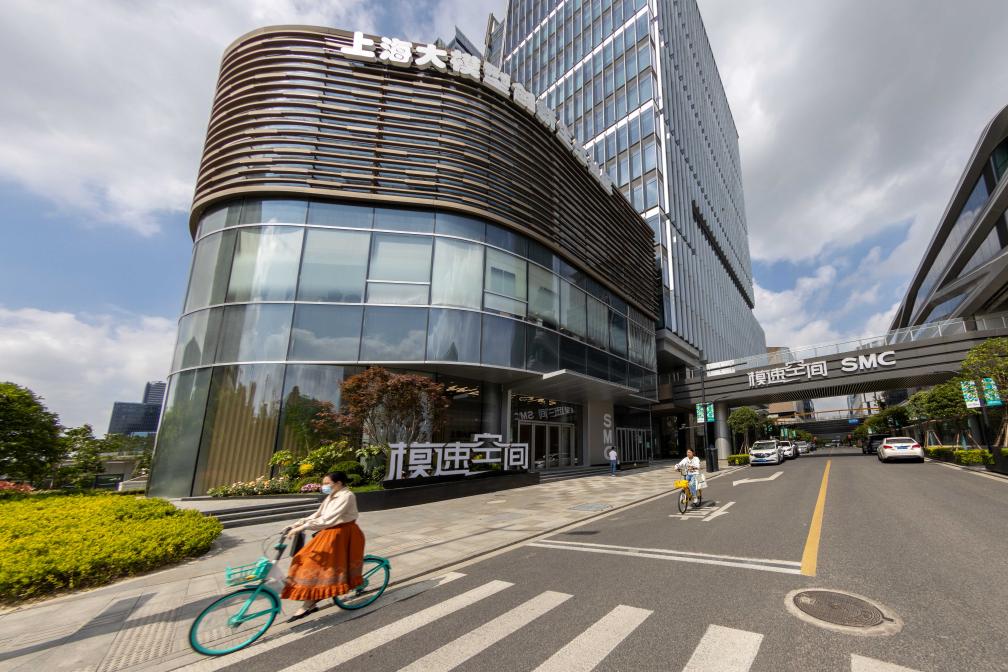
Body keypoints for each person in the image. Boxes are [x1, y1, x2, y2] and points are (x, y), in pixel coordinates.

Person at [281, 471, 364, 622]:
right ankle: (311, 599)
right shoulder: (332, 495)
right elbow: (318, 514)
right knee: (302, 558)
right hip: (330, 532)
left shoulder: (347, 496)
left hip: (342, 534)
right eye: (323, 483)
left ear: (338, 483)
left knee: (316, 565)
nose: (323, 486)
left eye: (327, 483)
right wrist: (297, 524)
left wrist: (302, 528)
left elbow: (328, 519)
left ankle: (309, 603)